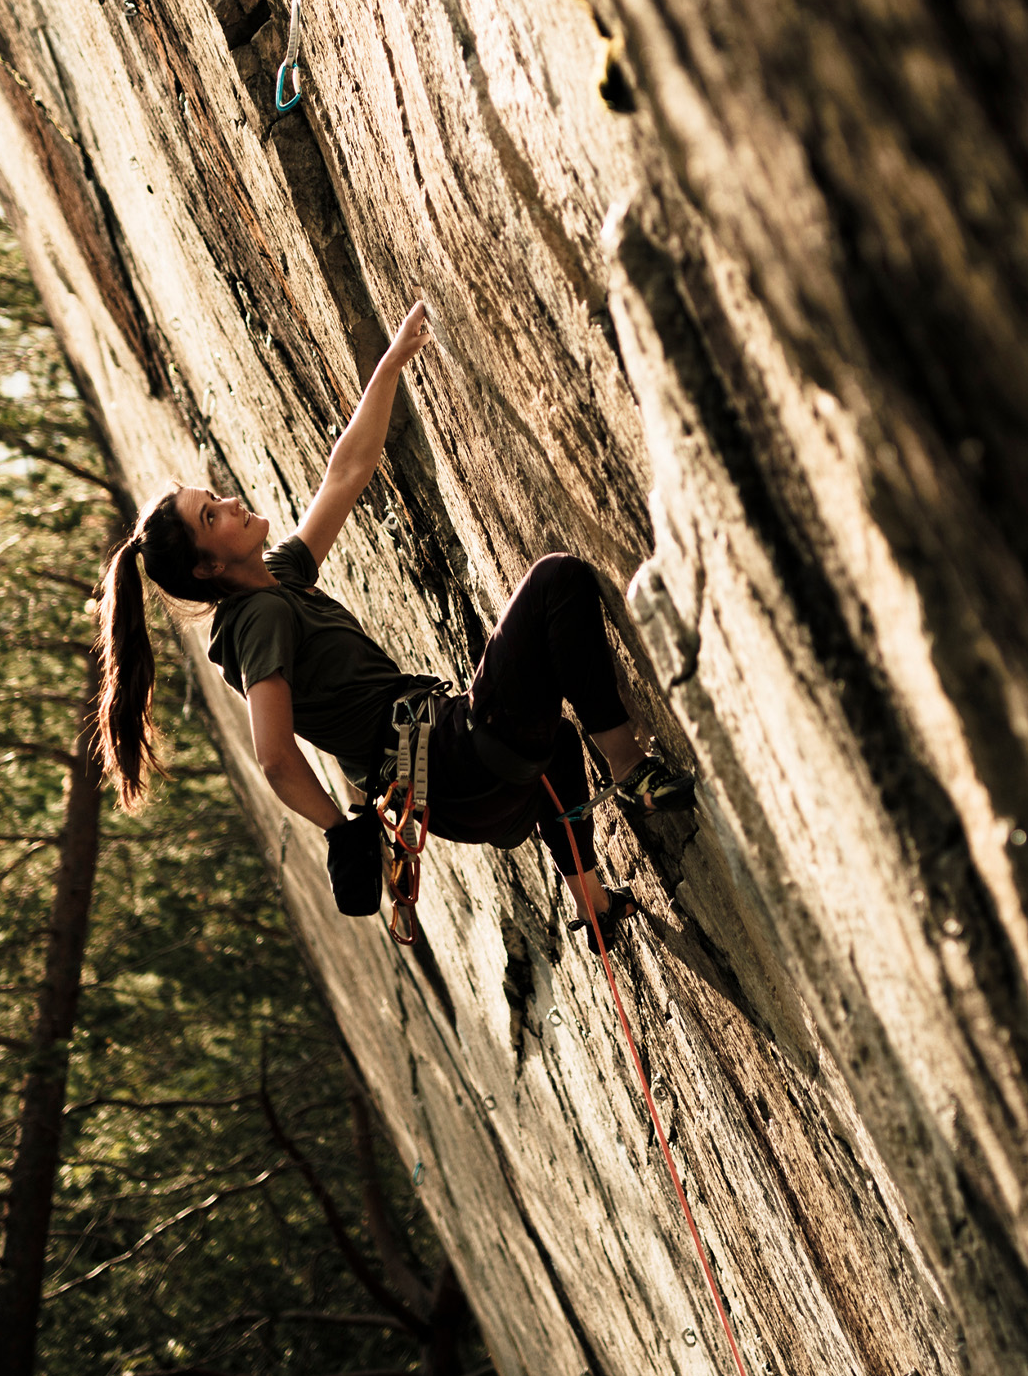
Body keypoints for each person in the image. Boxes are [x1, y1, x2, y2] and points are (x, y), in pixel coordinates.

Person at [86, 301, 696, 942]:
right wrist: (340, 829)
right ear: (207, 569)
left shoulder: (278, 579)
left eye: (214, 499)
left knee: (560, 749)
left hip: (456, 790)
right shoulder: (260, 618)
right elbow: (272, 755)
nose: (231, 503)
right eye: (213, 517)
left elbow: (347, 473)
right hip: (451, 756)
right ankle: (632, 774)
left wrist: (390, 363)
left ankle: (594, 907)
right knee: (556, 581)